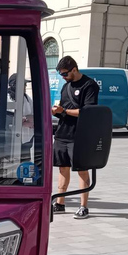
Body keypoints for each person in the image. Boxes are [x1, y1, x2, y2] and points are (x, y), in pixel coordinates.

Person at [51, 56, 99, 219]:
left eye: (65, 74)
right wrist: (57, 111)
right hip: (62, 133)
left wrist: (63, 111)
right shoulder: (66, 87)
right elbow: (64, 108)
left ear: (74, 69)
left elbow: (87, 111)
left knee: (82, 169)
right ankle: (60, 203)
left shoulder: (89, 85)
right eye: (60, 74)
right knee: (62, 168)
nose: (63, 77)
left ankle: (83, 206)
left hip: (80, 135)